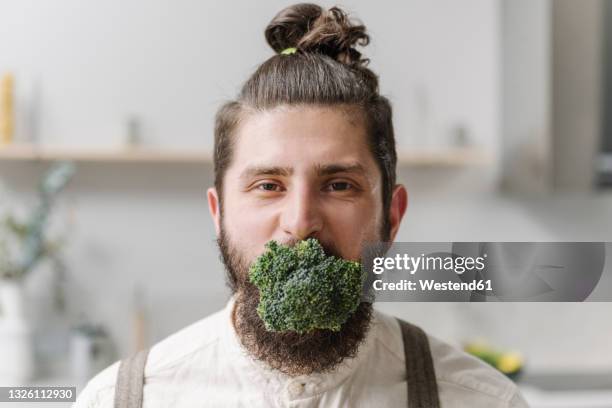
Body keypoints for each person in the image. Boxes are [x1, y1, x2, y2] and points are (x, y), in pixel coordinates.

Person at [74, 3, 529, 407]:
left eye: (339, 185)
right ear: (219, 213)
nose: (300, 223)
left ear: (391, 216)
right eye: (269, 185)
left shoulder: (482, 401)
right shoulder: (119, 400)